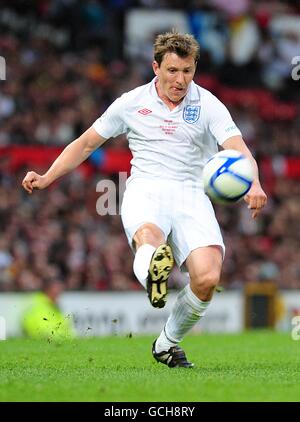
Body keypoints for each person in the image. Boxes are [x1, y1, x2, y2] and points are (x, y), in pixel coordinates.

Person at [22, 31, 267, 367]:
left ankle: (166, 343)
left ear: (194, 70)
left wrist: (254, 183)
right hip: (145, 188)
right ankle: (154, 270)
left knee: (208, 278)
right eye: (172, 71)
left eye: (187, 71)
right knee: (149, 238)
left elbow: (240, 151)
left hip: (192, 193)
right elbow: (85, 144)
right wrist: (47, 176)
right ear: (156, 67)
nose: (180, 80)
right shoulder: (131, 102)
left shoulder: (208, 104)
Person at [22, 276, 75, 340]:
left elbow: (68, 329)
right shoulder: (38, 305)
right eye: (57, 289)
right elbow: (42, 332)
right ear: (47, 290)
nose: (59, 293)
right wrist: (65, 337)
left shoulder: (54, 306)